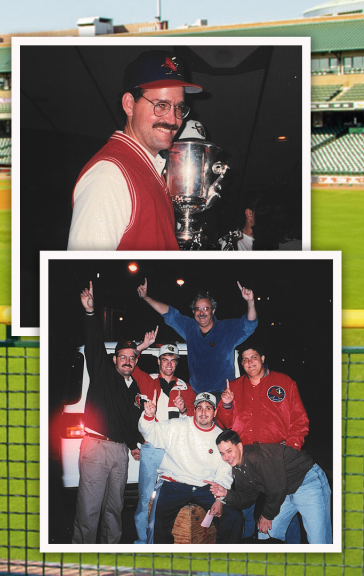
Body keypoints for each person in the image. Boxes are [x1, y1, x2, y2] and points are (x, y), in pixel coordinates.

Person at [68, 50, 202, 251]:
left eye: (179, 108)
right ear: (129, 104)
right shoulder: (110, 175)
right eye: (161, 105)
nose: (173, 119)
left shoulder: (150, 171)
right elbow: (85, 272)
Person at [73, 281, 148, 544]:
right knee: (89, 511)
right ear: (114, 359)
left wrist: (133, 445)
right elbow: (94, 343)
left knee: (114, 511)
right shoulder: (103, 373)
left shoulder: (134, 387)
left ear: (135, 361)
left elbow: (128, 421)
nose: (127, 361)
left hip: (120, 453)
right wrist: (91, 313)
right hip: (96, 448)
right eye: (122, 357)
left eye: (132, 358)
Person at [217, 346, 309, 542]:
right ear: (241, 364)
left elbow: (299, 420)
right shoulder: (233, 387)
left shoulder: (284, 382)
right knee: (246, 508)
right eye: (245, 359)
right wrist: (225, 405)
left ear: (263, 358)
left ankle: (292, 551)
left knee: (281, 505)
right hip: (246, 460)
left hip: (275, 458)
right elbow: (224, 425)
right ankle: (247, 547)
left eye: (254, 357)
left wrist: (290, 450)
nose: (249, 362)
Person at [139, 392, 242, 543]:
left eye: (208, 408)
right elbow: (151, 433)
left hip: (205, 486)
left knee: (234, 516)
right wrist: (148, 416)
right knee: (158, 521)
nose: (203, 412)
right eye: (199, 407)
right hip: (173, 483)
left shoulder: (220, 437)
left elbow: (223, 472)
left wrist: (219, 499)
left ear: (215, 412)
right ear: (194, 410)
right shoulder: (177, 425)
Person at [137, 278, 257, 398]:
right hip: (197, 396)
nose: (201, 312)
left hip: (224, 394)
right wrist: (146, 297)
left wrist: (250, 301)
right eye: (197, 309)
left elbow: (250, 324)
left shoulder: (226, 329)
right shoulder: (189, 328)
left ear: (213, 311)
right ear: (193, 312)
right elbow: (169, 314)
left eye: (206, 308)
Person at [211, 430, 332, 544]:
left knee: (318, 541)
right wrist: (226, 494)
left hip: (307, 481)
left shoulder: (257, 456)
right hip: (284, 491)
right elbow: (247, 499)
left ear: (240, 446)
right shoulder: (238, 468)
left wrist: (267, 515)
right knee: (265, 533)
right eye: (222, 453)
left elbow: (276, 488)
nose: (226, 457)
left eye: (229, 451)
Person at [133, 342, 196, 544]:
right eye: (165, 359)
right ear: (159, 361)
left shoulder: (185, 387)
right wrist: (141, 347)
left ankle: (158, 540)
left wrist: (184, 408)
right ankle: (143, 541)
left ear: (177, 363)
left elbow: (196, 420)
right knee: (145, 498)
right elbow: (131, 364)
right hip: (152, 448)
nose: (169, 364)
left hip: (174, 450)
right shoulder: (148, 380)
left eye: (173, 360)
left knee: (164, 500)